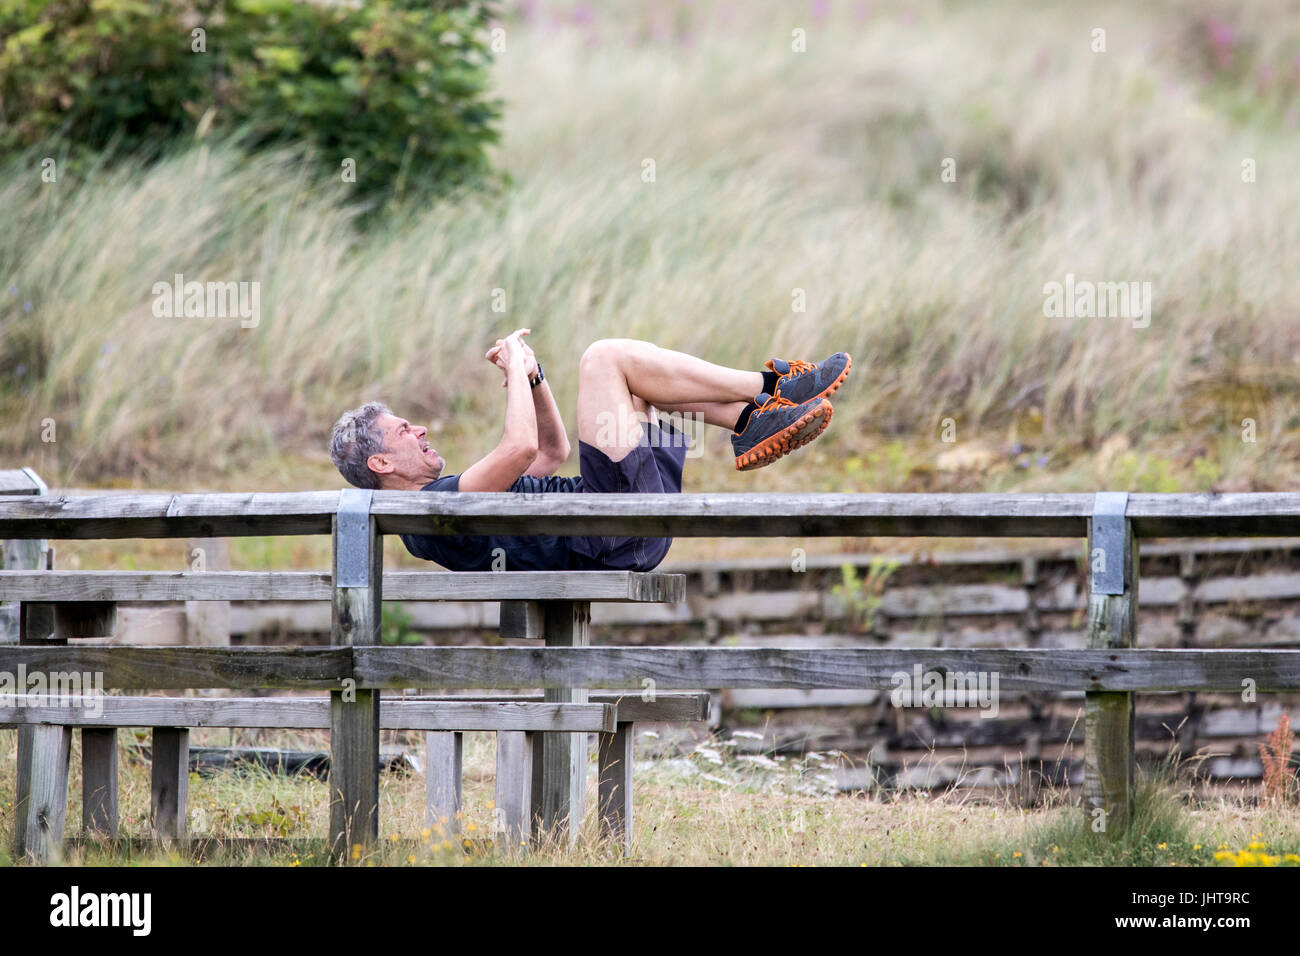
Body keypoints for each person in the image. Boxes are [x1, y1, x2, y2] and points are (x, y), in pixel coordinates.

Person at [329, 331, 852, 572]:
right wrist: (512, 369)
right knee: (604, 357)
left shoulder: (447, 501)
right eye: (402, 431)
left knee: (636, 384)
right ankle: (772, 386)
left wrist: (533, 378)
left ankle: (747, 421)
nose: (418, 428)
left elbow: (550, 451)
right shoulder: (430, 512)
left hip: (620, 525)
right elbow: (520, 445)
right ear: (381, 463)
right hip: (610, 530)